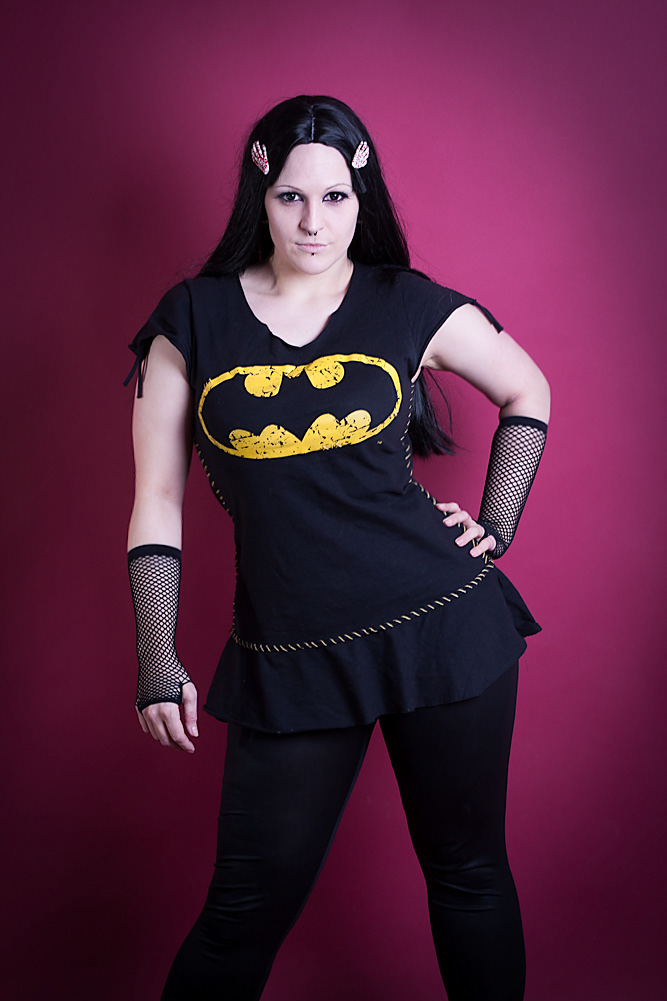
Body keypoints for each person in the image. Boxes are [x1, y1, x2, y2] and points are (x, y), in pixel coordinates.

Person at [125, 95, 550, 1001]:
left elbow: (527, 390)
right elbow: (156, 500)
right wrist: (157, 655)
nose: (313, 222)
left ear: (362, 198)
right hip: (291, 652)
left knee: (468, 874)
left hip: (442, 626)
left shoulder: (405, 302)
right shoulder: (191, 319)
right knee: (240, 914)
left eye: (334, 197)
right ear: (260, 194)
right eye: (290, 197)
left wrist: (497, 521)